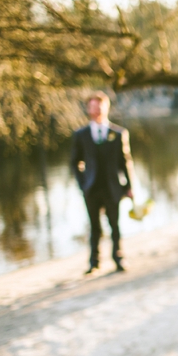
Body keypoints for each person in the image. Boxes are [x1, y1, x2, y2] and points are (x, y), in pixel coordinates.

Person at [71, 91, 134, 274]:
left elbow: (125, 162)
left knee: (115, 225)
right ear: (88, 109)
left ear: (106, 108)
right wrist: (82, 183)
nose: (97, 110)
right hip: (91, 188)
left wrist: (129, 186)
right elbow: (75, 162)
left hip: (113, 187)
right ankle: (94, 262)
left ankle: (118, 258)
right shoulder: (80, 135)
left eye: (100, 106)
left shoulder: (118, 133)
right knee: (95, 227)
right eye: (93, 106)